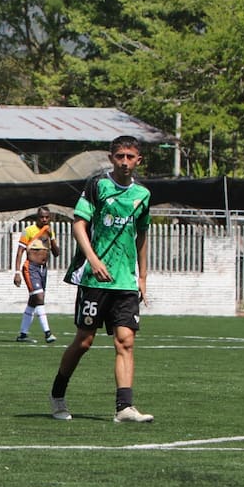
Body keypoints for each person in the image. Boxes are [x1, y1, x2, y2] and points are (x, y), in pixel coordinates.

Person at [50, 135, 153, 423]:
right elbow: (79, 225)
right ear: (111, 158)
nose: (124, 161)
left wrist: (142, 276)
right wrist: (93, 260)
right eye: (119, 156)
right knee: (84, 341)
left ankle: (124, 407)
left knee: (126, 341)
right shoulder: (98, 185)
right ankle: (58, 393)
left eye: (130, 156)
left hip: (125, 281)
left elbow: (142, 234)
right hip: (95, 280)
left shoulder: (142, 195)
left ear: (138, 160)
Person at [14, 206, 60, 343]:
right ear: (37, 217)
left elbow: (57, 253)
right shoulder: (29, 231)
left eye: (47, 217)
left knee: (34, 301)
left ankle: (23, 334)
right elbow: (20, 252)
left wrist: (51, 237)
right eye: (42, 217)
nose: (44, 219)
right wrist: (17, 272)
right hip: (31, 268)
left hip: (43, 269)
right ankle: (47, 333)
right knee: (39, 297)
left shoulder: (50, 231)